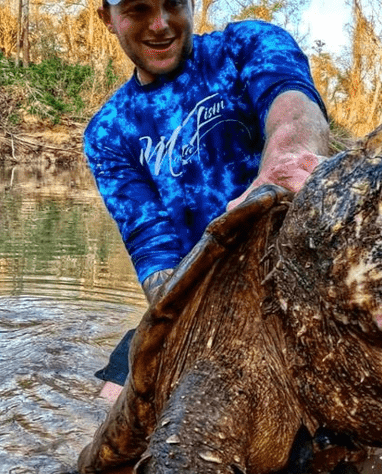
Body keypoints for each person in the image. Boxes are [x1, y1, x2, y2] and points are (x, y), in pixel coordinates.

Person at [84, 0, 330, 400]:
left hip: (304, 287)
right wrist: (199, 326)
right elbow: (153, 248)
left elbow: (291, 101)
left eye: (172, 4)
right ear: (108, 19)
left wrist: (287, 160)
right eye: (138, 9)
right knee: (113, 399)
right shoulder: (108, 132)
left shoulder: (246, 44)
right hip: (202, 299)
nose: (160, 25)